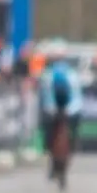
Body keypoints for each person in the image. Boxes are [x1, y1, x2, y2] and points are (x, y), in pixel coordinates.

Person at [38, 40, 82, 179]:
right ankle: (52, 151)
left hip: (67, 109)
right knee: (51, 131)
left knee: (67, 133)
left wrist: (68, 109)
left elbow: (76, 94)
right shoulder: (51, 73)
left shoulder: (69, 74)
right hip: (59, 109)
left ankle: (66, 149)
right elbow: (47, 94)